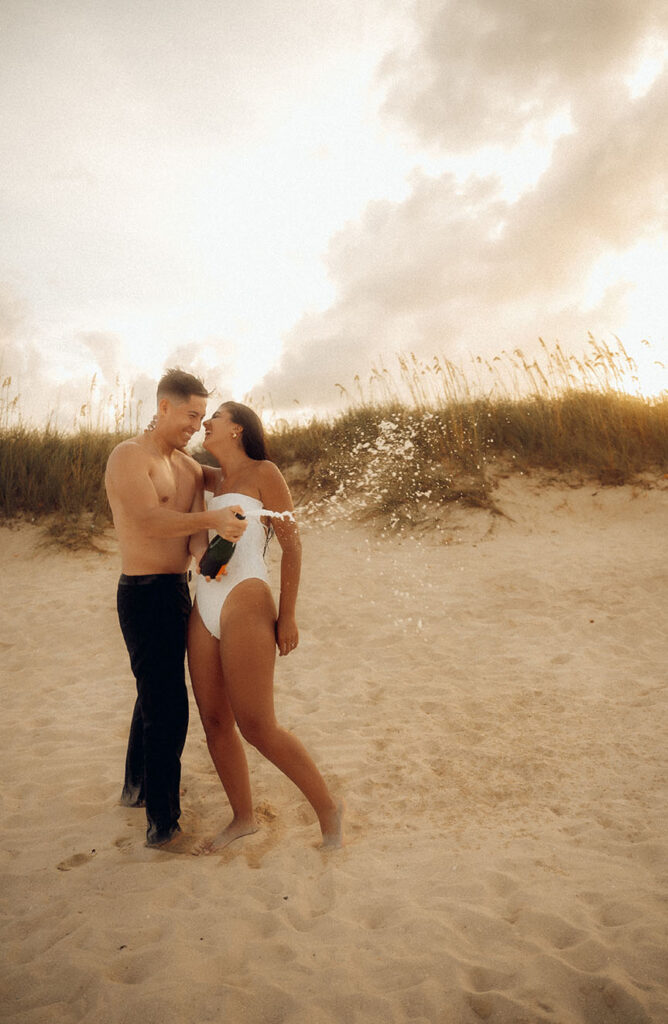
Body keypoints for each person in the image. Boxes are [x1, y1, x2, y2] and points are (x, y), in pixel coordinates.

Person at [187, 400, 343, 852]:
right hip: (206, 600)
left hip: (247, 598)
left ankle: (327, 808)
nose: (207, 423)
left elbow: (292, 548)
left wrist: (288, 614)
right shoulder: (209, 477)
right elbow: (170, 459)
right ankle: (243, 818)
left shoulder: (264, 472)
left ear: (237, 429)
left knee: (257, 724)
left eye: (214, 417)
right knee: (214, 720)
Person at [105, 370, 247, 848]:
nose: (195, 425)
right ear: (163, 406)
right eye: (190, 415)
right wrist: (212, 517)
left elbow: (230, 481)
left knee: (153, 690)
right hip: (142, 593)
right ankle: (163, 830)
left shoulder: (187, 468)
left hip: (175, 591)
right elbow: (148, 520)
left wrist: (216, 555)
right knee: (168, 707)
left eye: (202, 418)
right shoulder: (129, 457)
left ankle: (136, 789)